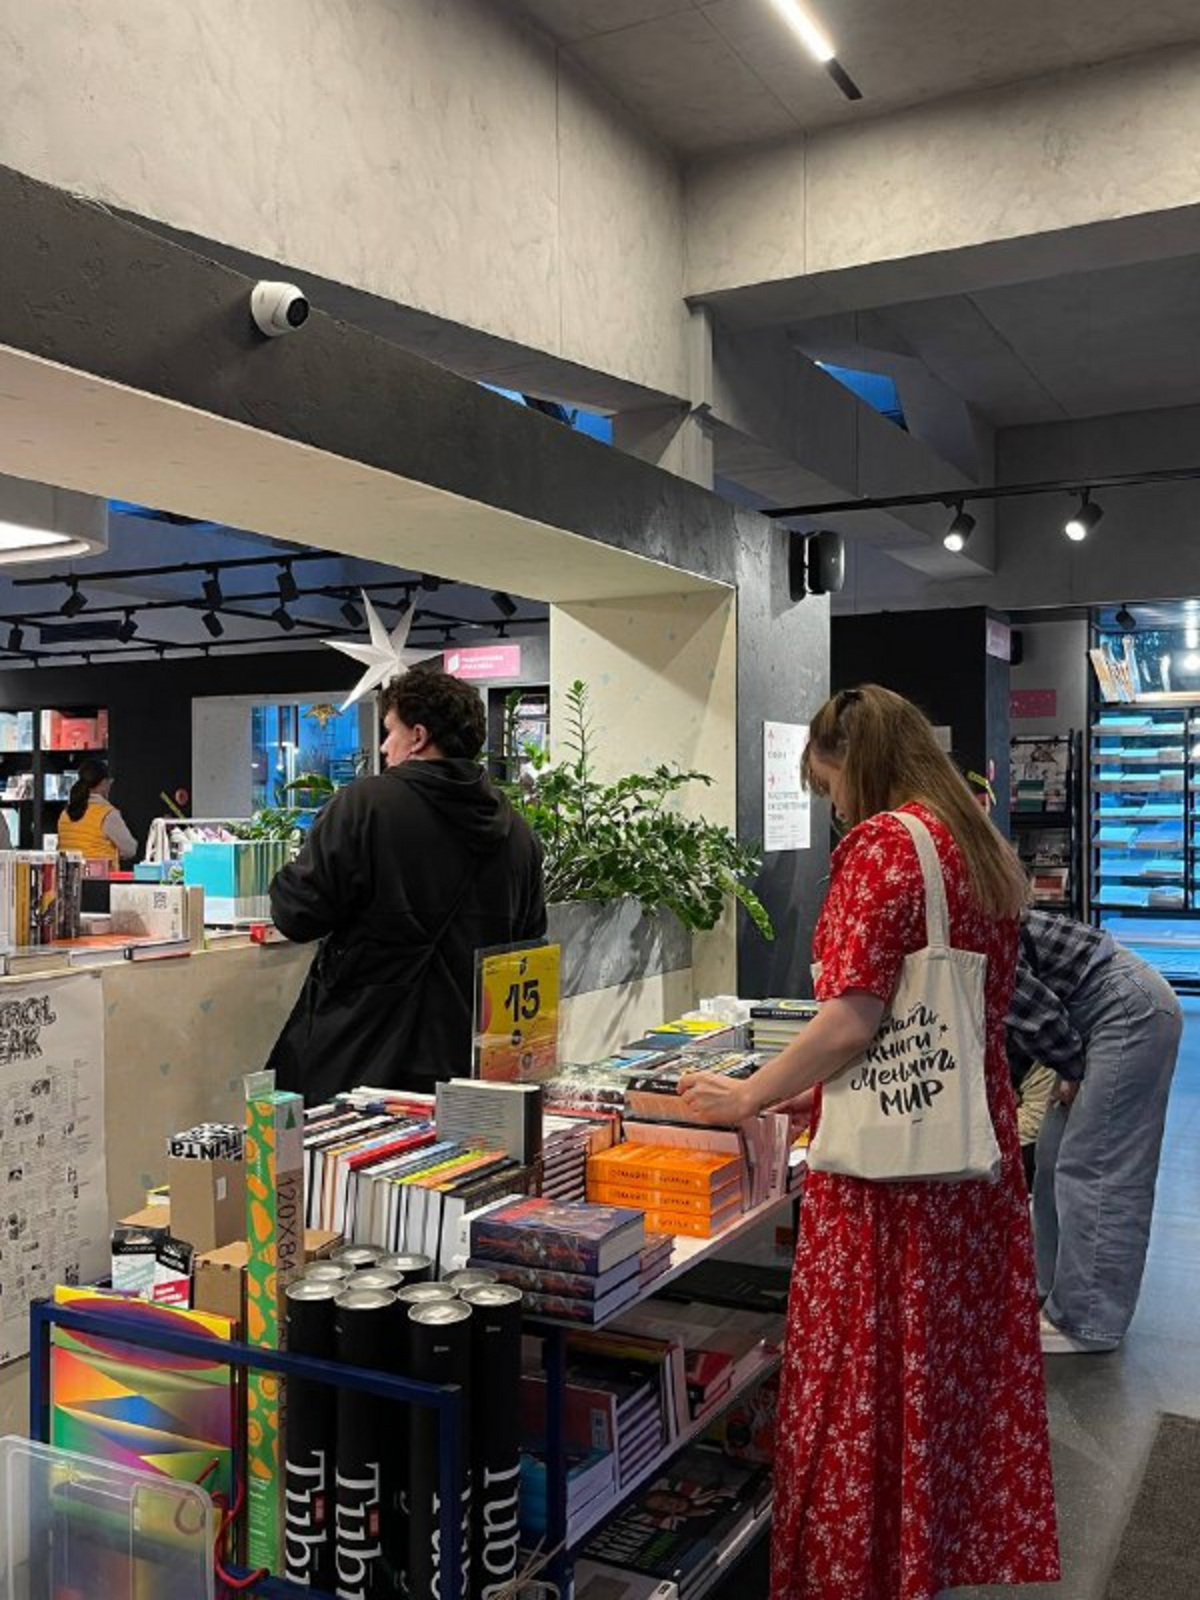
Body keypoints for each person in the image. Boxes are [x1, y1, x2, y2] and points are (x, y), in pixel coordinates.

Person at [680, 685, 1059, 1600]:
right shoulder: (975, 842)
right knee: (935, 1381)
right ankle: (917, 1560)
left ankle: (858, 1571)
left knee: (860, 1378)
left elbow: (853, 1018)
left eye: (828, 784)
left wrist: (747, 1095)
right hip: (968, 1153)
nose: (834, 806)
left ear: (855, 762)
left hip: (891, 1177)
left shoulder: (888, 845)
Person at [267, 666, 546, 1103]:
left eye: (389, 731)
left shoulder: (365, 805)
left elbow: (298, 914)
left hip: (363, 1054)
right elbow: (526, 950)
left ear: (418, 737)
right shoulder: (518, 834)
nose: (383, 746)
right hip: (468, 1063)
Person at [1008, 909, 1182, 1354]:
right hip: (1100, 1009)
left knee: (1096, 1166)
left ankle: (1088, 1321)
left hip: (1124, 1010)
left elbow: (1035, 1015)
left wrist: (1071, 1068)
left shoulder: (969, 932)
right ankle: (1047, 1287)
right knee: (1053, 1157)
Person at [55, 757, 138, 866]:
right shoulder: (107, 814)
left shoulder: (65, 813)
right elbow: (130, 849)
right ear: (104, 783)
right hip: (99, 874)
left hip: (69, 874)